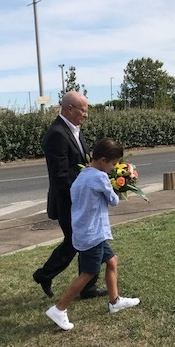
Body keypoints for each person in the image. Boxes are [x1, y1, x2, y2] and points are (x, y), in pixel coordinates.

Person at [46, 137, 140, 330]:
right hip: (93, 233)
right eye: (113, 164)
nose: (113, 168)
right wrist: (120, 187)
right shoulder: (99, 177)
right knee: (89, 272)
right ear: (103, 160)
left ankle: (115, 301)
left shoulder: (83, 174)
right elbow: (113, 200)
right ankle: (59, 308)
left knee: (112, 260)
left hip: (83, 230)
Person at [33, 91, 107, 299]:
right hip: (68, 201)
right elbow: (61, 175)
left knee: (80, 241)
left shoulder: (74, 130)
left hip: (78, 200)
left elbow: (84, 164)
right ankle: (50, 276)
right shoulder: (57, 133)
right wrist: (85, 191)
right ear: (70, 109)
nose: (86, 115)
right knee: (80, 241)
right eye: (83, 110)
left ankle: (53, 277)